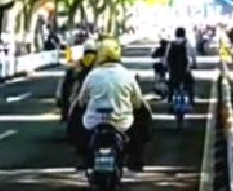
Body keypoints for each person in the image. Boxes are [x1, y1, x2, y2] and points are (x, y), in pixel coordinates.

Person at [72, 37, 151, 170]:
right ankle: (136, 157)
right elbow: (138, 103)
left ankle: (82, 155)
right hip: (122, 123)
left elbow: (81, 100)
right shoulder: (127, 76)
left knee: (75, 113)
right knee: (144, 116)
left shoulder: (92, 75)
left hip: (94, 122)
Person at [164, 26, 195, 106]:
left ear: (176, 34)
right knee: (190, 85)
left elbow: (166, 57)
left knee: (171, 85)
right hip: (185, 70)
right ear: (184, 34)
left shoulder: (171, 44)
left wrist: (167, 67)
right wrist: (194, 64)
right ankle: (191, 101)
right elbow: (193, 56)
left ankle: (170, 99)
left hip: (173, 71)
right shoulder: (188, 43)